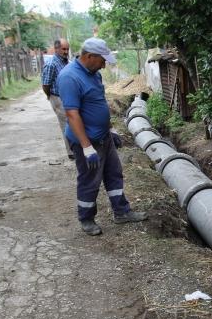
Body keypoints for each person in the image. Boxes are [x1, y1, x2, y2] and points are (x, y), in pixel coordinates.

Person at [57, 37, 146, 236]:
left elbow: (99, 104)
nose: (105, 64)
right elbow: (72, 114)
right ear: (89, 56)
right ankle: (86, 218)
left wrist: (110, 129)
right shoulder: (69, 77)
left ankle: (122, 212)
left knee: (114, 174)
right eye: (102, 60)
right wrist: (87, 147)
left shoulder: (94, 74)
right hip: (87, 142)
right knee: (90, 180)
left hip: (104, 137)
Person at [41, 39, 72, 159]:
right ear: (56, 49)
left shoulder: (66, 62)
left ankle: (75, 146)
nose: (66, 52)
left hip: (67, 97)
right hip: (57, 97)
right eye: (63, 49)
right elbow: (45, 84)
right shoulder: (51, 64)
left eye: (67, 49)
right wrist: (50, 96)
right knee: (66, 124)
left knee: (73, 121)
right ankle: (71, 152)